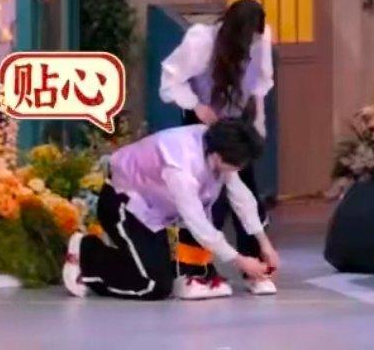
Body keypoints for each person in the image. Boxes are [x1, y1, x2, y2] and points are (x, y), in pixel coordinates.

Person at [61, 120, 280, 301]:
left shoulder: (215, 143)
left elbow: (242, 198)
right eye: (238, 164)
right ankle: (87, 253)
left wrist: (264, 243)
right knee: (152, 286)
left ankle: (183, 270)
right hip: (124, 205)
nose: (238, 169)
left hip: (155, 213)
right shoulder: (180, 167)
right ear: (219, 156)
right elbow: (197, 223)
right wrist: (240, 261)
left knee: (160, 276)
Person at [158, 0, 276, 298]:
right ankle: (197, 270)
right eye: (247, 39)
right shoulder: (201, 40)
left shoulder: (261, 39)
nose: (252, 45)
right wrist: (197, 107)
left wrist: (258, 124)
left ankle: (255, 267)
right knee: (206, 199)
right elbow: (170, 80)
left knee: (246, 191)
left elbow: (260, 85)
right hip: (202, 123)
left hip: (238, 124)